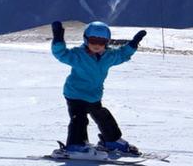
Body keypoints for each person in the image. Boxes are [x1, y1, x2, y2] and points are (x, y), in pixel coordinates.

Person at [50, 21, 147, 158]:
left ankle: (112, 141)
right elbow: (61, 54)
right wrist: (58, 37)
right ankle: (75, 145)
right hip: (75, 94)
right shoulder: (78, 55)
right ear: (86, 39)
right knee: (79, 119)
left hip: (94, 96)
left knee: (103, 116)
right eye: (93, 40)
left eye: (101, 42)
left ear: (106, 42)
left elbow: (122, 55)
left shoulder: (108, 56)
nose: (97, 45)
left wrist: (133, 43)